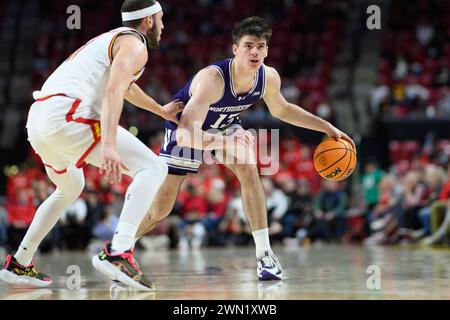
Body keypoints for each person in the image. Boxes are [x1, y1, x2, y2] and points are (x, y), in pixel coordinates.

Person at [136, 16, 355, 281]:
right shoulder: (212, 79)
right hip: (188, 130)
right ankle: (119, 247)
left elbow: (283, 109)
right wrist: (224, 142)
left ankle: (264, 254)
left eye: (261, 46)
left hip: (226, 126)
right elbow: (184, 136)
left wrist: (326, 127)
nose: (255, 51)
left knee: (249, 170)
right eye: (249, 45)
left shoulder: (268, 77)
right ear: (235, 49)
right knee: (160, 210)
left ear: (267, 50)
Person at [0, 0, 183, 291]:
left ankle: (21, 260)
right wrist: (108, 144)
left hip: (39, 121)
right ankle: (118, 251)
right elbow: (113, 93)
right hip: (68, 115)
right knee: (153, 167)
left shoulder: (113, 41)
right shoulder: (136, 44)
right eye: (161, 19)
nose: (164, 25)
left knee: (70, 186)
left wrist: (160, 110)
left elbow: (125, 86)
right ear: (148, 20)